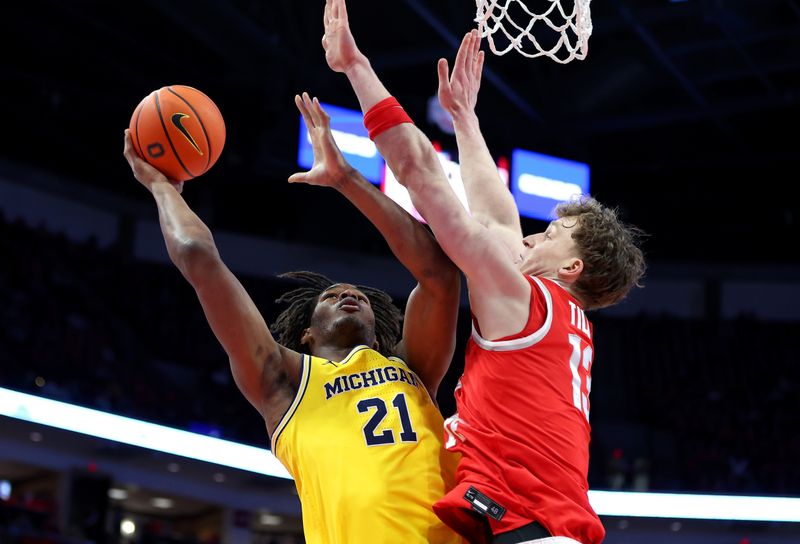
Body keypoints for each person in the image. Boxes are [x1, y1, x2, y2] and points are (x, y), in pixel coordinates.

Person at [321, 2, 646, 542]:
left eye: (549, 235)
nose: (530, 238)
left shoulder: (524, 300)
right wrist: (464, 119)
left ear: (571, 266)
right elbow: (497, 218)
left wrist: (356, 67)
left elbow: (419, 172)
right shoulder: (558, 317)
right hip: (542, 527)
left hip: (530, 528)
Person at [121, 90, 464, 543]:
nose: (348, 293)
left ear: (381, 334)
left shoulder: (411, 367)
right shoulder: (283, 383)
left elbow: (440, 273)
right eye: (331, 296)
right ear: (305, 334)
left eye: (358, 295)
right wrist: (162, 187)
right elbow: (198, 258)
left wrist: (346, 179)